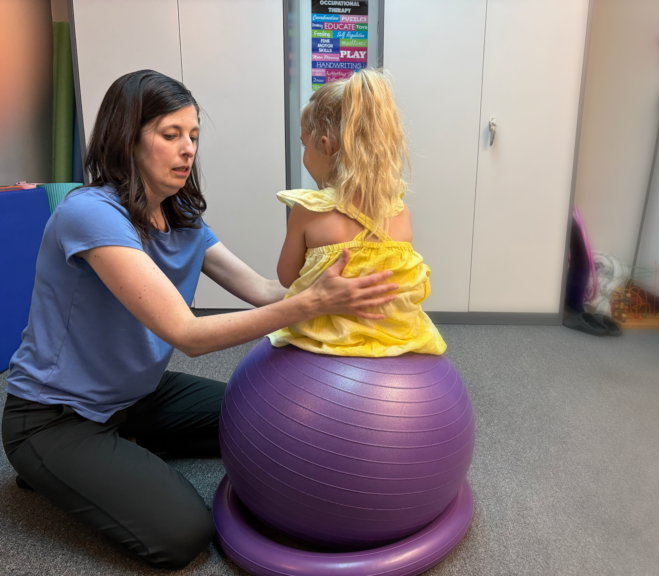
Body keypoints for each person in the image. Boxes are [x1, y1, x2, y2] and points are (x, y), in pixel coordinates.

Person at [1, 70, 398, 569]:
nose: (188, 149)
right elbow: (186, 334)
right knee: (182, 537)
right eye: (171, 135)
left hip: (137, 396)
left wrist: (343, 268)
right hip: (55, 417)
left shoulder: (182, 218)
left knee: (266, 419)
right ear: (127, 137)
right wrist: (306, 305)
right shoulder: (91, 214)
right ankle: (53, 467)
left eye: (193, 136)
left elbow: (263, 291)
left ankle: (119, 450)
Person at [267, 69, 446, 357]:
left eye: (304, 143)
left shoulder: (308, 211)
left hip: (324, 343)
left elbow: (287, 278)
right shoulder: (400, 212)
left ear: (324, 146)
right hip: (398, 343)